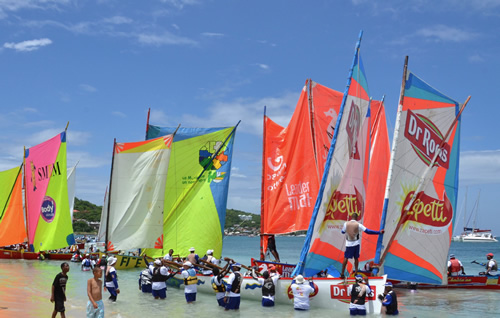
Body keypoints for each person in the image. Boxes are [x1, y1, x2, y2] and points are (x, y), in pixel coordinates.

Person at [341, 212, 383, 277]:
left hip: (348, 244)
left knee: (346, 257)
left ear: (351, 217)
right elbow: (368, 231)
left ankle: (342, 273)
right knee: (356, 258)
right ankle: (356, 273)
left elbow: (342, 232)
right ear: (357, 218)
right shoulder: (358, 224)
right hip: (356, 244)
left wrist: (347, 230)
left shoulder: (346, 224)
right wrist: (379, 232)